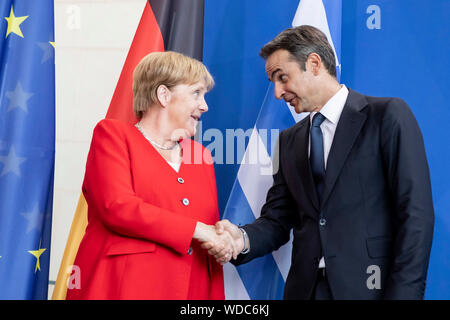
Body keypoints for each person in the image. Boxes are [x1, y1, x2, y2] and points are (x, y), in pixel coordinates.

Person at [207, 25, 435, 300]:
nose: (278, 93)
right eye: (273, 82)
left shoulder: (386, 116)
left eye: (282, 77)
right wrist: (239, 240)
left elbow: (415, 216)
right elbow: (277, 220)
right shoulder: (288, 141)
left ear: (314, 63)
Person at [66, 51, 234, 300]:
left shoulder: (201, 157)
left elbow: (207, 235)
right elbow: (118, 207)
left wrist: (223, 241)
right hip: (123, 287)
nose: (204, 105)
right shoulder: (112, 136)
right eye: (196, 93)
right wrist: (200, 230)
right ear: (164, 95)